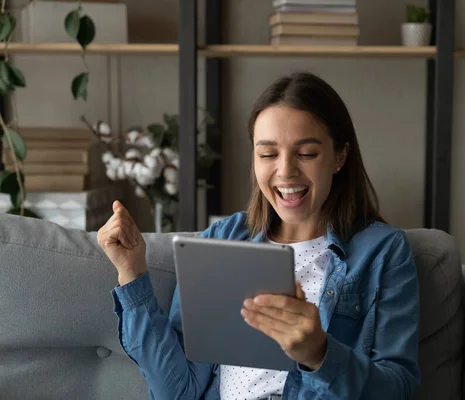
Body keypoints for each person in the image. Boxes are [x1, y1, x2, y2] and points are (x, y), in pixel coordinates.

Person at [98, 71, 421, 400]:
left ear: (340, 156)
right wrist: (131, 272)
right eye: (267, 154)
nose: (285, 171)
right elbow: (179, 390)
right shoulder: (221, 240)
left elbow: (397, 388)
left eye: (306, 154)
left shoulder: (383, 252)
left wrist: (319, 354)